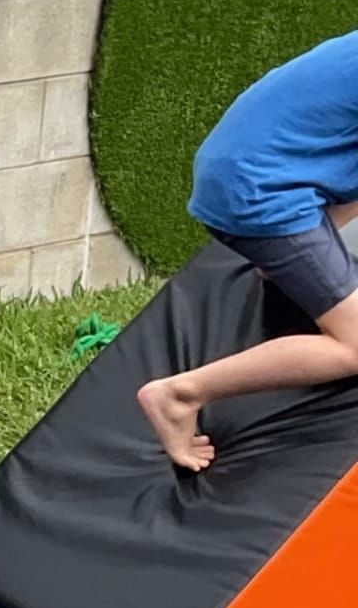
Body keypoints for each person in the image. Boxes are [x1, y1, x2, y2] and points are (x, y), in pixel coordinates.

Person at [138, 30, 358, 472]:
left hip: (249, 170)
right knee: (356, 344)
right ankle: (179, 395)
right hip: (258, 191)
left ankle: (285, 265)